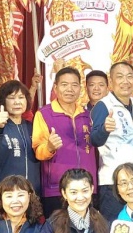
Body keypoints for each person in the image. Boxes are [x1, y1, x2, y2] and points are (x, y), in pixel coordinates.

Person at [33, 67, 96, 216]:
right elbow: (38, 151)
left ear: (80, 88)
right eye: (64, 84)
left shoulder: (88, 115)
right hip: (57, 189)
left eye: (74, 85)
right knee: (58, 229)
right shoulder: (44, 114)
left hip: (86, 188)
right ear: (55, 87)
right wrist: (49, 147)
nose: (70, 89)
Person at [90, 61, 133, 221]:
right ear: (111, 81)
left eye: (129, 76)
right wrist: (104, 129)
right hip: (113, 182)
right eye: (120, 77)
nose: (125, 81)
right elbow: (95, 139)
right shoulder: (104, 106)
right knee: (115, 229)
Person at [0, 79, 42, 196]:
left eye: (21, 97)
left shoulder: (33, 127)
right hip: (5, 195)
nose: (17, 102)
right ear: (3, 101)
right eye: (11, 98)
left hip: (32, 194)